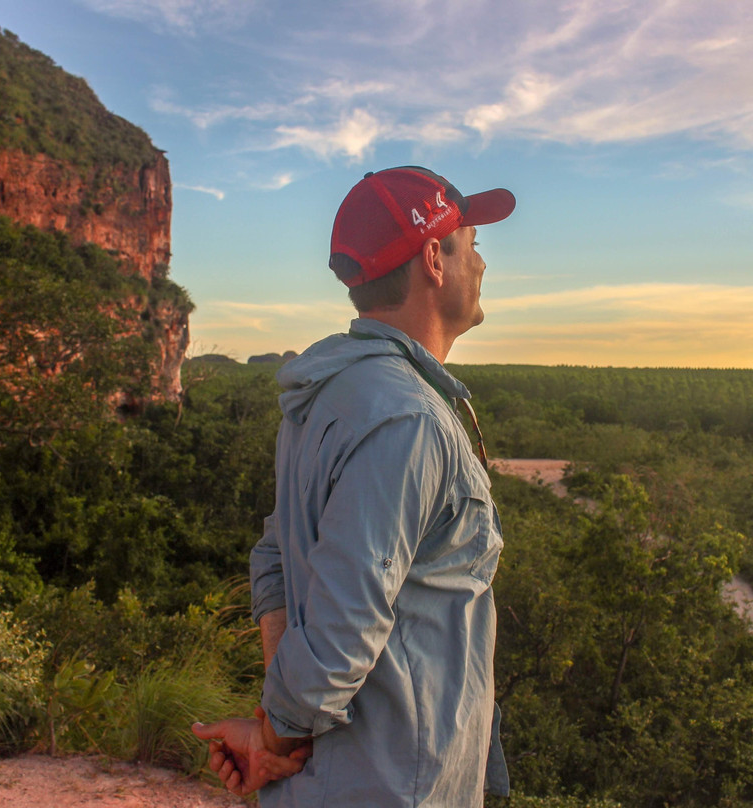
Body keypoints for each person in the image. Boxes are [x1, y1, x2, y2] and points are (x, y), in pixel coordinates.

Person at [193, 166, 516, 807]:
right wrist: (275, 740)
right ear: (433, 257)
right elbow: (345, 631)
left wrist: (276, 727)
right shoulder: (408, 421)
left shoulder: (329, 396)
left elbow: (275, 559)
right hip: (393, 787)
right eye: (472, 245)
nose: (482, 264)